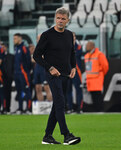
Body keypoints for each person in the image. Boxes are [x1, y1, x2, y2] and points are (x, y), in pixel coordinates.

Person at [33, 7, 81, 145]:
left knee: (57, 105)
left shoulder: (69, 35)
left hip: (66, 74)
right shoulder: (46, 35)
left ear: (67, 20)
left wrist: (73, 67)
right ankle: (66, 135)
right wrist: (50, 68)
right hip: (53, 75)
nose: (60, 21)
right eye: (58, 18)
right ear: (55, 18)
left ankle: (47, 136)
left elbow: (71, 53)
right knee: (60, 102)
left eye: (63, 19)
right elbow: (36, 55)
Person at [84, 41, 109, 112]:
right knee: (93, 96)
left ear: (92, 46)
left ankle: (100, 110)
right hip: (90, 79)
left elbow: (105, 66)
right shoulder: (87, 55)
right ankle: (96, 110)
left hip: (97, 79)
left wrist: (101, 74)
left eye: (87, 45)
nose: (86, 47)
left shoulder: (99, 54)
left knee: (98, 95)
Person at [13, 33, 32, 114]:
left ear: (20, 39)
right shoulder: (16, 48)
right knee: (19, 91)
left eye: (15, 38)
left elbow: (28, 61)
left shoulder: (24, 48)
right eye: (14, 39)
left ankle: (29, 109)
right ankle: (20, 108)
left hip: (23, 73)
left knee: (27, 90)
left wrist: (26, 71)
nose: (14, 40)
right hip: (16, 73)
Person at [66, 33, 83, 114]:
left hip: (76, 71)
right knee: (68, 90)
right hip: (67, 71)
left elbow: (75, 55)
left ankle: (79, 108)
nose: (72, 38)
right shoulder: (65, 46)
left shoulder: (78, 47)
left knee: (78, 89)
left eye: (73, 36)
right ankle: (70, 108)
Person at [33, 35, 52, 101]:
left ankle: (50, 106)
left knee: (47, 87)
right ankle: (41, 106)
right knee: (38, 88)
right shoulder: (36, 48)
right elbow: (33, 59)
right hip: (37, 68)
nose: (38, 40)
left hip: (44, 68)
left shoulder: (47, 47)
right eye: (37, 38)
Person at [1, 43, 14, 114]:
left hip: (8, 78)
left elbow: (12, 67)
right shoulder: (1, 56)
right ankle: (3, 108)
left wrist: (12, 76)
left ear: (6, 47)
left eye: (3, 47)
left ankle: (7, 108)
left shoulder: (11, 56)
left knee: (7, 94)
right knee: (2, 94)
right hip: (1, 77)